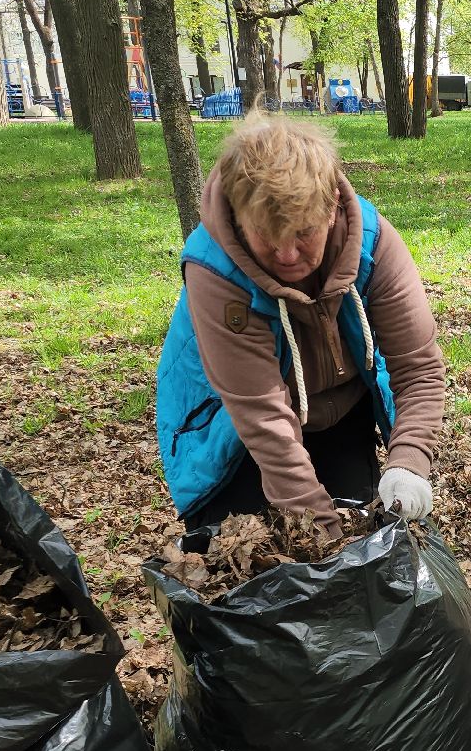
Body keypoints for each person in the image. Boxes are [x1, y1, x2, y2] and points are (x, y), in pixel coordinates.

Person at [156, 114, 446, 537]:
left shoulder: (372, 242)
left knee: (363, 524)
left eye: (303, 233)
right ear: (239, 217)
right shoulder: (215, 271)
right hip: (231, 427)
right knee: (251, 548)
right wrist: (326, 544)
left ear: (331, 205)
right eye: (268, 237)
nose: (288, 255)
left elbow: (417, 369)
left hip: (340, 408)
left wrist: (408, 461)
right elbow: (263, 418)